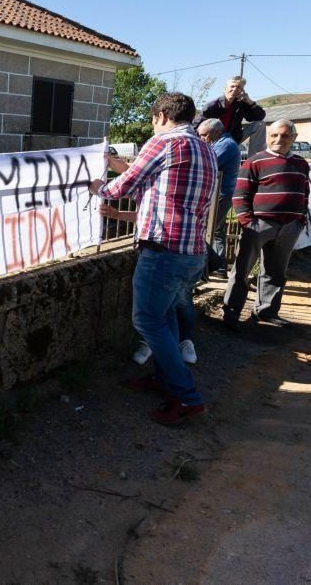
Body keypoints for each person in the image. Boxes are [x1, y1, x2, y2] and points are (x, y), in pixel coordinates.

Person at [90, 93, 217, 426]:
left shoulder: (163, 143)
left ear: (161, 115)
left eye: (152, 119)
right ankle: (165, 381)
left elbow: (124, 186)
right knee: (166, 318)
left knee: (147, 320)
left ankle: (187, 397)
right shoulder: (206, 148)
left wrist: (97, 187)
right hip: (191, 251)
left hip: (163, 250)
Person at [222, 118, 310, 330]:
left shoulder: (301, 163)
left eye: (285, 135)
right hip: (258, 225)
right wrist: (247, 221)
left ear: (294, 138)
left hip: (290, 226)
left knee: (276, 272)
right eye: (274, 135)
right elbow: (240, 194)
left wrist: (301, 219)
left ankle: (267, 311)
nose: (279, 139)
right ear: (268, 137)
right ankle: (231, 314)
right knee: (241, 270)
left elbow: (305, 193)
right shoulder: (255, 162)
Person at [98, 188, 198, 367]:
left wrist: (98, 186)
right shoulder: (163, 176)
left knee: (157, 313)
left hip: (170, 253)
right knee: (165, 309)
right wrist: (118, 214)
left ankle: (180, 373)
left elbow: (120, 185)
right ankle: (168, 366)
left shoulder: (172, 172)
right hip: (176, 251)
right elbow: (147, 214)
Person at [197, 118, 241, 274]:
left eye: (204, 135)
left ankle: (210, 266)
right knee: (216, 230)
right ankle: (219, 267)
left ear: (216, 132)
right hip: (222, 193)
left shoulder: (226, 145)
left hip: (220, 195)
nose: (202, 139)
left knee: (205, 229)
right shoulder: (222, 143)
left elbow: (206, 163)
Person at [193, 76, 266, 144]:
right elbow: (195, 126)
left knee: (259, 124)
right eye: (232, 86)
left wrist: (250, 101)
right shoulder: (213, 106)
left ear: (242, 91)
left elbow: (259, 116)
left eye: (239, 87)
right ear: (225, 89)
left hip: (234, 138)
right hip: (215, 140)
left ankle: (256, 157)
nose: (235, 89)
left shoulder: (241, 104)